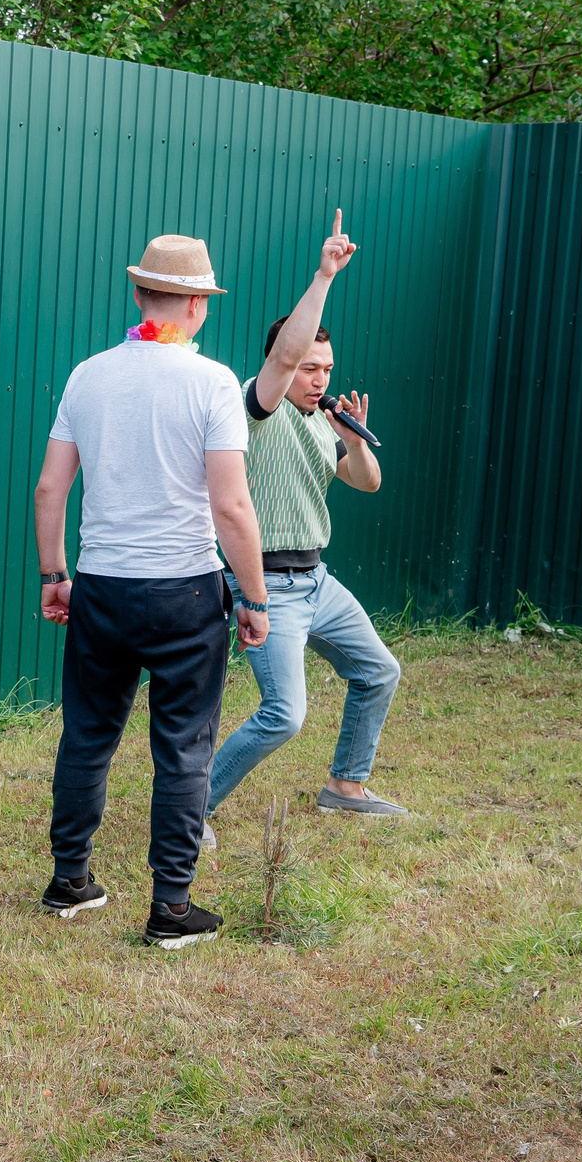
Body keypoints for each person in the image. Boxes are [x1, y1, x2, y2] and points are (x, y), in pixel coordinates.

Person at [32, 234, 269, 949]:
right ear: (198, 305)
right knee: (183, 748)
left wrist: (54, 574)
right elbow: (231, 507)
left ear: (140, 296)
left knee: (88, 735)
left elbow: (50, 486)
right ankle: (170, 906)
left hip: (101, 585)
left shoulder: (88, 375)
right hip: (186, 594)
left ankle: (70, 878)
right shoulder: (214, 383)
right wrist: (255, 597)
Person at [207, 211, 404, 820]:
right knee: (284, 715)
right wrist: (325, 275)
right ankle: (192, 807)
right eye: (308, 367)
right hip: (266, 584)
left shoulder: (323, 419)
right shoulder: (255, 404)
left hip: (316, 580)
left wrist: (353, 439)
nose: (319, 379)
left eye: (327, 369)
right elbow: (288, 355)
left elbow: (367, 483)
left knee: (379, 671)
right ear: (283, 362)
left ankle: (345, 787)